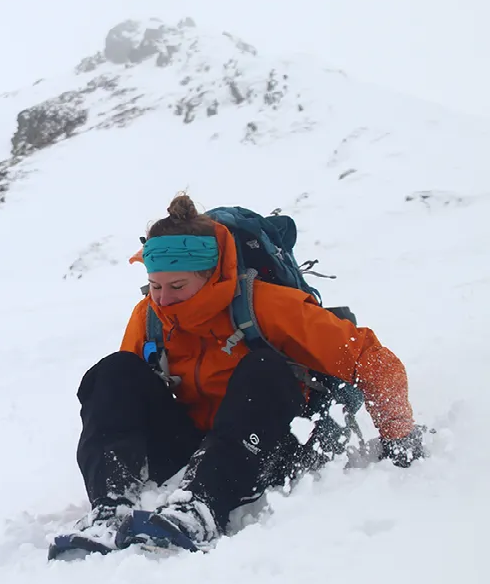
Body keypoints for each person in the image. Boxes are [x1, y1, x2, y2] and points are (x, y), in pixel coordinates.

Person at [67, 194, 425, 554]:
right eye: (156, 286)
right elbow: (121, 404)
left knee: (264, 368)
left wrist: (400, 437)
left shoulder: (265, 304)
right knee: (114, 371)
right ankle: (111, 506)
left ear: (211, 275)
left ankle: (202, 505)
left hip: (269, 449)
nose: (162, 299)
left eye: (177, 287)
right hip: (194, 448)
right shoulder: (148, 316)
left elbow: (371, 360)